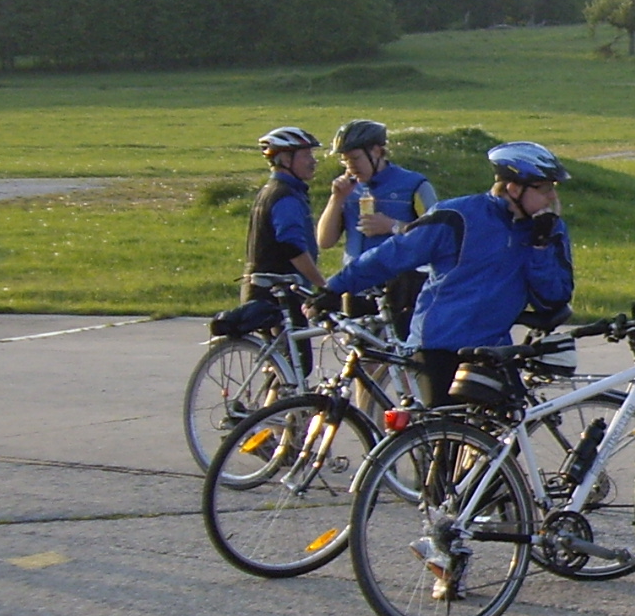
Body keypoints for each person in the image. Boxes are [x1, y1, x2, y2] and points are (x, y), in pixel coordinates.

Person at [322, 141, 575, 407]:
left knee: (508, 427)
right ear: (514, 188)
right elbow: (392, 255)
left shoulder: (549, 230)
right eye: (544, 189)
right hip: (439, 345)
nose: (552, 197)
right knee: (444, 427)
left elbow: (553, 298)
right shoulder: (458, 216)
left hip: (494, 348)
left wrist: (540, 247)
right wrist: (334, 288)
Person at [317, 118, 437, 338]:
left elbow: (435, 235)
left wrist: (393, 226)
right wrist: (336, 199)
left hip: (402, 286)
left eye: (355, 158)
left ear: (377, 151)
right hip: (358, 284)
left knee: (401, 352)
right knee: (361, 352)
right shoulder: (348, 188)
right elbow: (325, 241)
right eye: (345, 160)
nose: (350, 166)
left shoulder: (414, 185)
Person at [246, 127, 327, 300]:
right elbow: (292, 247)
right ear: (285, 159)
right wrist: (323, 286)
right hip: (281, 296)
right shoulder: (286, 198)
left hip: (269, 293)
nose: (313, 161)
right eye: (306, 155)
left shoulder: (274, 190)